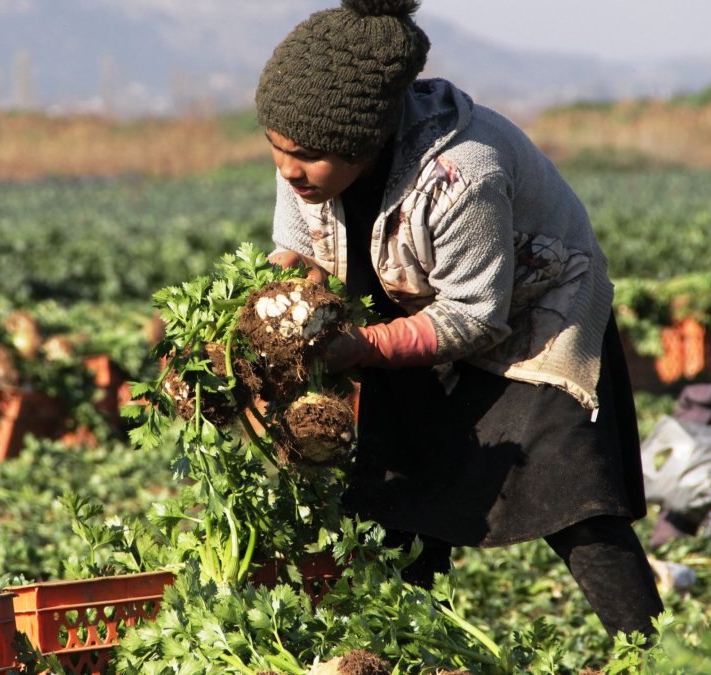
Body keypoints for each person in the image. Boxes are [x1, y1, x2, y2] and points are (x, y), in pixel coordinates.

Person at [256, 0, 664, 639]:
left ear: (363, 140)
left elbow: (476, 316)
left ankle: (648, 650)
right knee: (403, 501)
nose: (287, 169)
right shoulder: (308, 155)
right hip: (410, 311)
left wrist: (357, 345)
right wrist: (271, 312)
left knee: (573, 499)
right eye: (276, 149)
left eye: (304, 155)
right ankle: (416, 648)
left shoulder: (463, 175)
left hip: (533, 320)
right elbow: (303, 254)